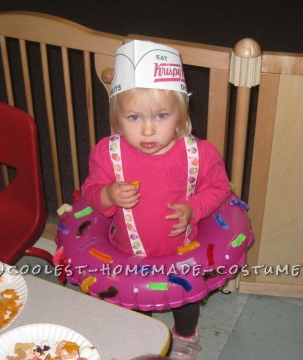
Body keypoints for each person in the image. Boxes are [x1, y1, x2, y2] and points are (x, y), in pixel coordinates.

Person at [82, 40, 231, 360]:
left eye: (161, 115)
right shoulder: (107, 154)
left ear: (180, 114)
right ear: (117, 118)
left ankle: (185, 336)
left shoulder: (199, 154)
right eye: (134, 117)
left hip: (183, 254)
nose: (148, 130)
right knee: (136, 302)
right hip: (127, 255)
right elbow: (90, 191)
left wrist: (194, 208)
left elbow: (219, 189)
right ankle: (144, 336)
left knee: (187, 302)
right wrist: (107, 194)